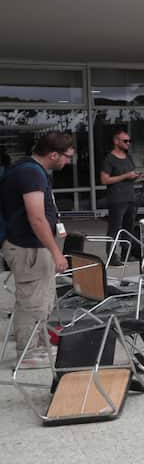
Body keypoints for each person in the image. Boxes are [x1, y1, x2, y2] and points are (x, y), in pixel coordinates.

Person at [0, 131, 76, 364]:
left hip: (31, 245)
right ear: (53, 154)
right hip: (28, 247)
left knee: (41, 298)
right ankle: (28, 353)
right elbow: (37, 218)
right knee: (31, 301)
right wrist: (56, 252)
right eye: (67, 156)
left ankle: (39, 343)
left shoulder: (29, 169)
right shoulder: (31, 174)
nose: (68, 161)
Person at [99, 126, 140, 265]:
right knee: (114, 228)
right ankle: (111, 255)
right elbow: (104, 180)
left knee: (129, 227)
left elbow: (129, 174)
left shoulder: (128, 157)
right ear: (116, 141)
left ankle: (126, 253)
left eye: (129, 141)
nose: (128, 143)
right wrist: (125, 176)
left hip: (130, 197)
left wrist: (134, 176)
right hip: (116, 199)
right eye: (125, 141)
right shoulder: (109, 159)